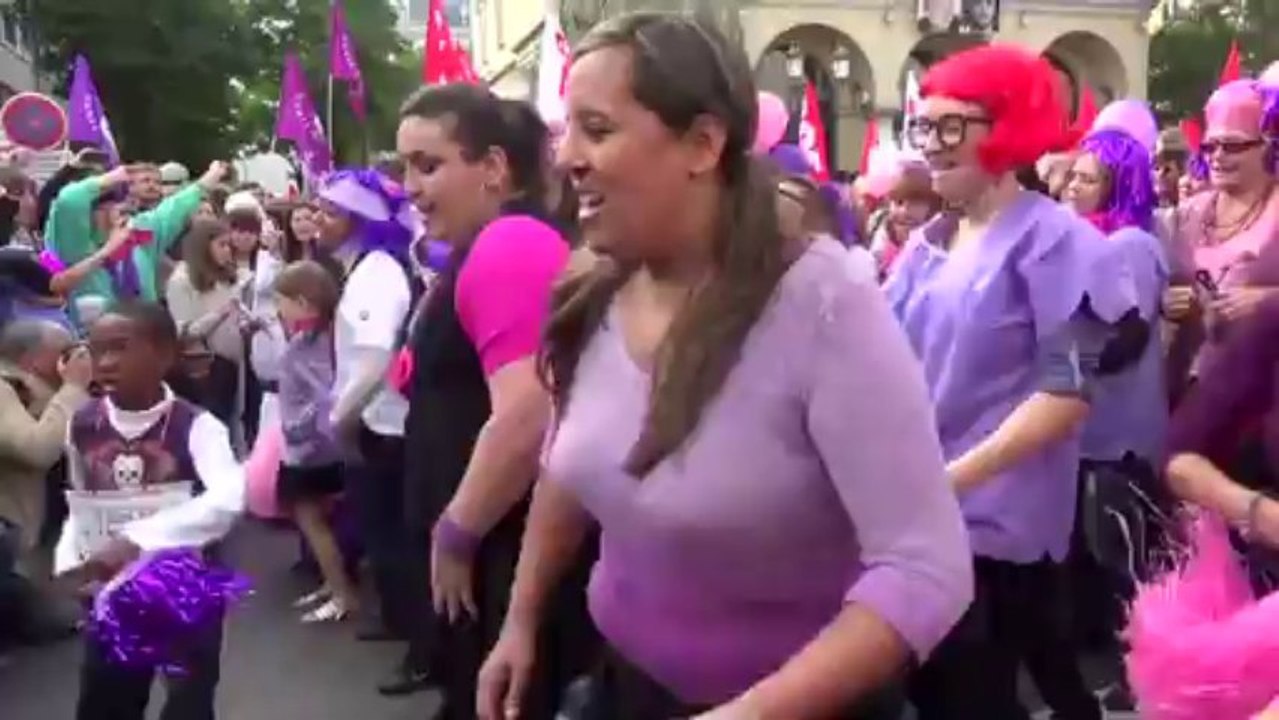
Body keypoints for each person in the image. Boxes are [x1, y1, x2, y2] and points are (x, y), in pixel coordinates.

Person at [478, 14, 972, 720]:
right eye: (566, 131)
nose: (566, 158)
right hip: (621, 690)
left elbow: (926, 568)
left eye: (598, 128)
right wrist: (520, 621)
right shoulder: (589, 290)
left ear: (703, 143)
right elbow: (570, 465)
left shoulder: (821, 302)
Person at [890, 45, 1137, 719]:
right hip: (920, 527)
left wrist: (948, 483)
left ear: (1002, 126)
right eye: (922, 125)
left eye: (949, 127)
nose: (931, 146)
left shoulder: (1061, 242)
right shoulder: (926, 243)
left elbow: (1065, 394)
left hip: (997, 542)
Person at [392, 85, 581, 712]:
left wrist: (457, 530)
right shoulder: (489, 246)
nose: (411, 187)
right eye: (404, 168)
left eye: (429, 165)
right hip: (495, 556)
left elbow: (529, 411)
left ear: (494, 167)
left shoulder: (510, 245)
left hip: (504, 556)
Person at [53, 300, 245, 720]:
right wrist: (72, 562)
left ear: (164, 353)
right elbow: (82, 502)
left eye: (120, 348)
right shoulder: (82, 425)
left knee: (188, 702)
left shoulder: (196, 426)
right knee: (107, 700)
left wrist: (137, 540)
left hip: (186, 593)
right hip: (113, 595)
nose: (105, 362)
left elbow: (228, 499)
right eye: (96, 349)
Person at [311, 169, 416, 653]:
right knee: (380, 525)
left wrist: (341, 416)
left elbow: (376, 358)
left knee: (390, 529)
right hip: (375, 419)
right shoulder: (364, 268)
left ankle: (408, 625)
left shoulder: (377, 271)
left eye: (332, 213)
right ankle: (399, 616)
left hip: (384, 424)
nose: (318, 220)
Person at [272, 260, 357, 623]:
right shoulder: (327, 337)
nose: (279, 309)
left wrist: (300, 429)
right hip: (322, 446)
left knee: (313, 524)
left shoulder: (307, 348)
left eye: (283, 301)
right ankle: (332, 583)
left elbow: (326, 398)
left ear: (305, 303)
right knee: (320, 521)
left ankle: (341, 593)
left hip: (309, 451)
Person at [0, 320, 92, 653]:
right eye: (63, 353)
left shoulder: (27, 387)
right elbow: (37, 448)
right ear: (32, 360)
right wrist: (73, 388)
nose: (74, 360)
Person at [45, 160, 229, 325]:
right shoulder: (75, 242)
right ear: (95, 212)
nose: (126, 209)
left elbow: (175, 207)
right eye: (116, 206)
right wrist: (109, 179)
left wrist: (211, 176)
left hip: (144, 337)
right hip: (93, 342)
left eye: (125, 204)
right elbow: (68, 201)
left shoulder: (138, 232)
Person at [165, 218, 251, 433]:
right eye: (221, 245)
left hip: (235, 364)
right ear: (203, 246)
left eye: (229, 246)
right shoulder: (182, 281)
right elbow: (184, 332)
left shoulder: (228, 276)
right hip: (207, 369)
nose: (228, 252)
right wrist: (219, 314)